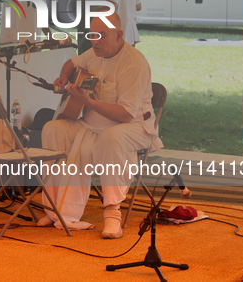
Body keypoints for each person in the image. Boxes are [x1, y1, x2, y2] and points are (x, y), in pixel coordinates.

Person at [38, 12, 163, 239]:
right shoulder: (95, 52)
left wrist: (89, 102)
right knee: (51, 129)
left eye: (102, 36)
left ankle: (112, 213)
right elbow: (71, 62)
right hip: (92, 124)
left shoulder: (134, 63)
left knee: (112, 137)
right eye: (92, 34)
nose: (95, 40)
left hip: (134, 127)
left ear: (119, 35)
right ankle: (56, 208)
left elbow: (125, 114)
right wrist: (64, 77)